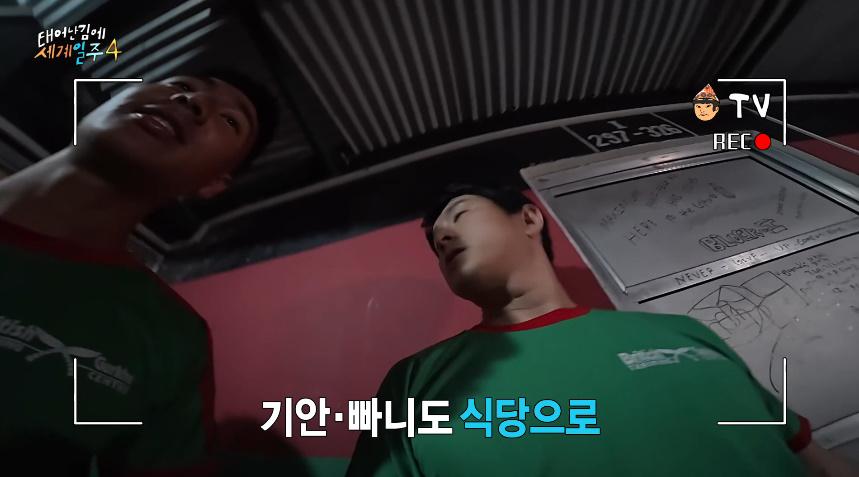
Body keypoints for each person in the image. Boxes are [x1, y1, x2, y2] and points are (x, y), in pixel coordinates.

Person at [347, 184, 859, 476]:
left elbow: (814, 462)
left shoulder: (686, 335)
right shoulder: (413, 384)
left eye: (458, 214)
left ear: (529, 219)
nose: (443, 234)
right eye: (435, 239)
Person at [0, 71, 276, 476]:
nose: (193, 102)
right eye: (182, 85)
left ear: (213, 185)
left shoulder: (172, 338)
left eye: (230, 120)